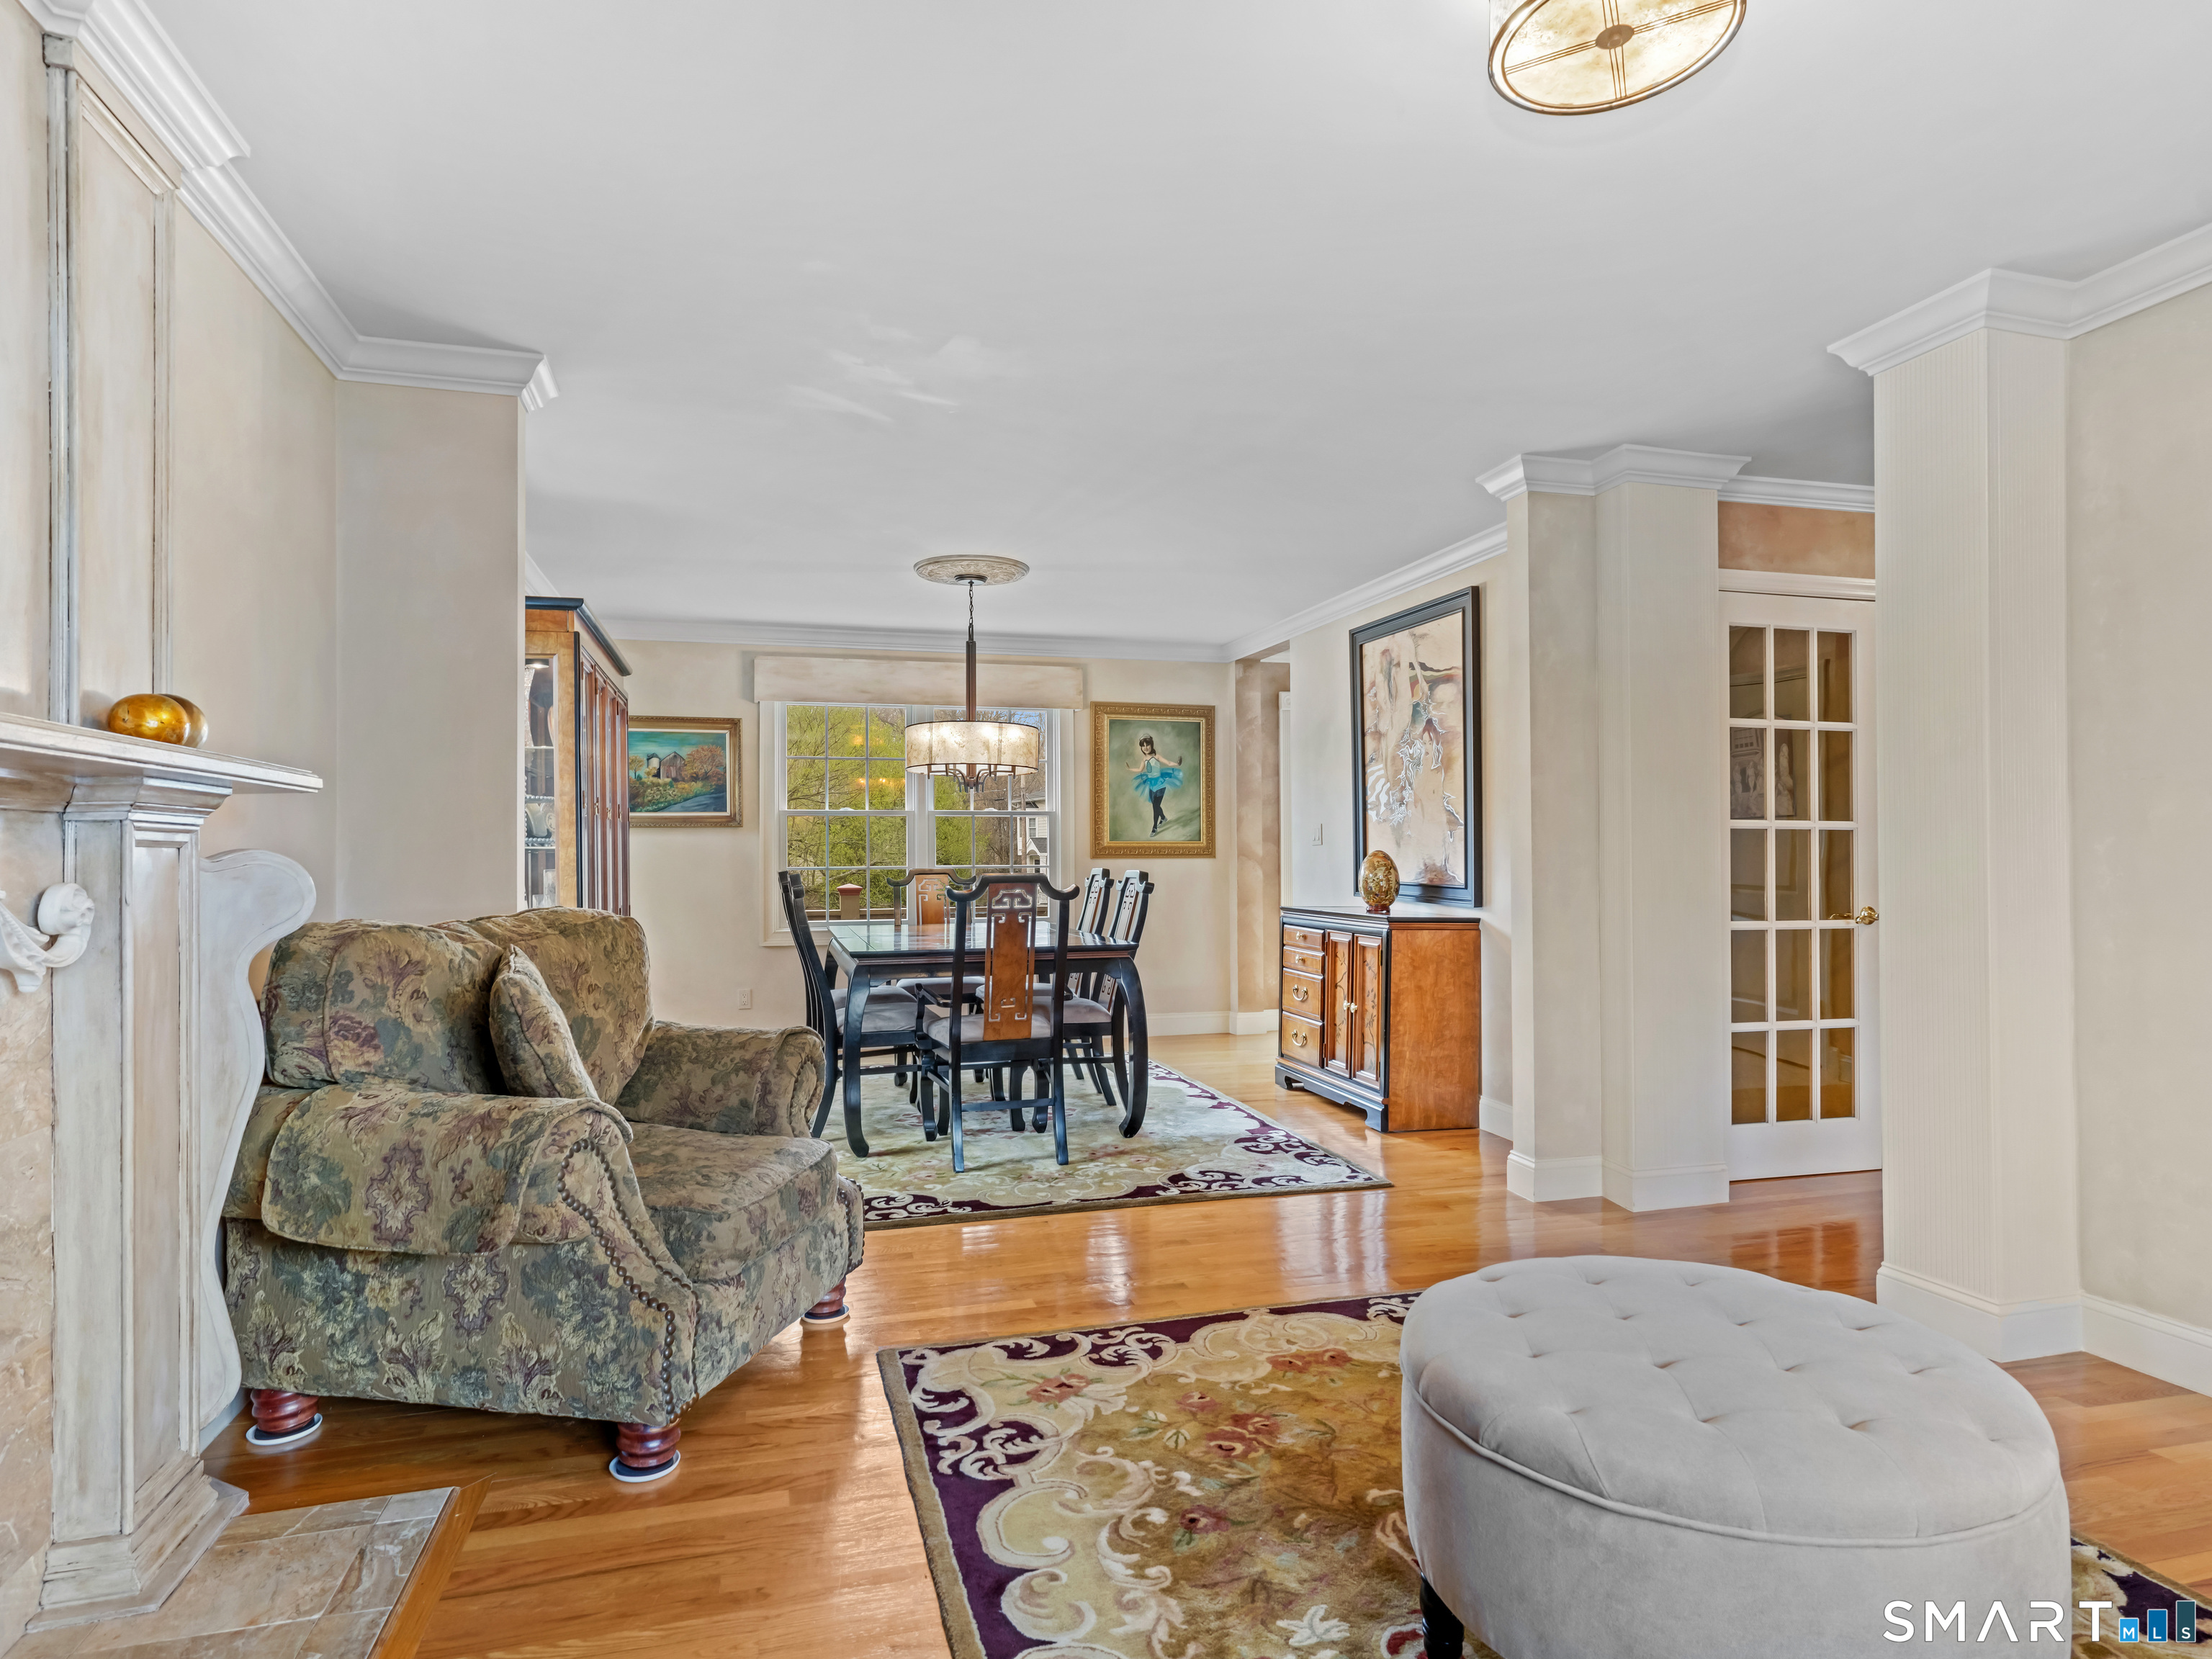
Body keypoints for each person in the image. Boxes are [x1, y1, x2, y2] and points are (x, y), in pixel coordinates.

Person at [1126, 732, 1186, 837]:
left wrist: (1177, 764)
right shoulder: (1144, 759)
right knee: (1156, 805)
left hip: (1160, 784)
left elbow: (1168, 763)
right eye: (1143, 746)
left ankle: (1155, 827)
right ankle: (1163, 818)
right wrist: (1130, 769)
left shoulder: (1157, 756)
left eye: (1147, 745)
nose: (1145, 747)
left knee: (1155, 806)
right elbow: (1140, 770)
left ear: (1151, 745)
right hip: (1150, 784)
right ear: (1141, 748)